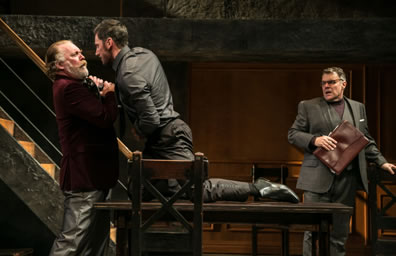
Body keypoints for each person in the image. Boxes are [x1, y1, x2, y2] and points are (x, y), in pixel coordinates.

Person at [92, 18, 299, 203]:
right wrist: (114, 92)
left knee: (196, 190)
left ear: (109, 42)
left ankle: (259, 187)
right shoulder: (144, 55)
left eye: (98, 46)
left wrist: (138, 128)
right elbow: (146, 94)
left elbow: (151, 119)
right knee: (139, 190)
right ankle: (173, 192)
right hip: (162, 138)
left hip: (168, 136)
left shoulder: (127, 72)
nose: (96, 52)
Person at [288, 67, 396, 256]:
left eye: (331, 82)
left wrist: (381, 162)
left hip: (347, 180)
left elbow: (365, 140)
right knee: (312, 233)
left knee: (340, 233)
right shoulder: (308, 106)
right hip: (316, 181)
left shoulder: (358, 107)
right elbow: (293, 134)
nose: (326, 86)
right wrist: (315, 140)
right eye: (323, 83)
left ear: (343, 84)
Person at [45, 40, 119, 256]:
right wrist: (109, 94)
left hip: (96, 177)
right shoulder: (68, 88)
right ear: (60, 65)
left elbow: (91, 120)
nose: (82, 56)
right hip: (85, 177)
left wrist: (97, 94)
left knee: (94, 246)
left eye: (80, 52)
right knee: (71, 243)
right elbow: (104, 117)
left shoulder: (74, 86)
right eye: (75, 54)